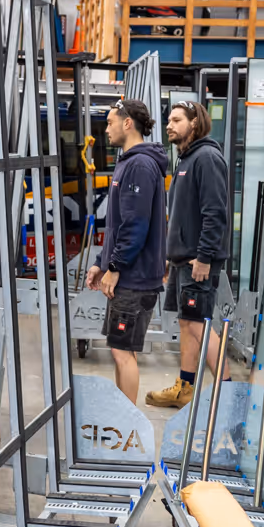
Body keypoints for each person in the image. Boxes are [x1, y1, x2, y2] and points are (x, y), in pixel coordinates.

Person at [146, 100, 230, 409]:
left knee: (200, 325)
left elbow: (215, 213)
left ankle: (228, 397)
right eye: (169, 120)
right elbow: (184, 215)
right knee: (187, 322)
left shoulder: (206, 158)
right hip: (185, 258)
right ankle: (185, 387)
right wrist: (172, 256)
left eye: (177, 119)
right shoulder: (186, 159)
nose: (169, 125)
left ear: (194, 123)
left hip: (199, 260)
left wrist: (205, 257)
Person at [85, 99, 168, 403]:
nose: (106, 129)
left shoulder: (140, 165)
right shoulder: (129, 162)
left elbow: (135, 225)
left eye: (109, 122)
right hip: (128, 275)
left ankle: (128, 429)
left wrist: (115, 267)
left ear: (127, 123)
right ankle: (122, 421)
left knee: (123, 352)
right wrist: (100, 262)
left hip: (134, 278)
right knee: (121, 350)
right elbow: (118, 225)